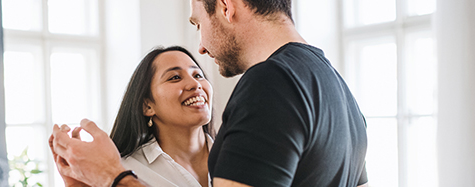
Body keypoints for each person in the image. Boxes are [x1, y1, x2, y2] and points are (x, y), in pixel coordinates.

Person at [50, 0, 369, 186]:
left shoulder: (269, 84)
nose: (201, 45)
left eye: (198, 23)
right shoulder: (336, 86)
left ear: (227, 7)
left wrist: (113, 177)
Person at [49, 46, 215, 187]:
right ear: (147, 106)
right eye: (175, 77)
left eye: (198, 75)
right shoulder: (121, 170)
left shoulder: (236, 151)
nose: (195, 84)